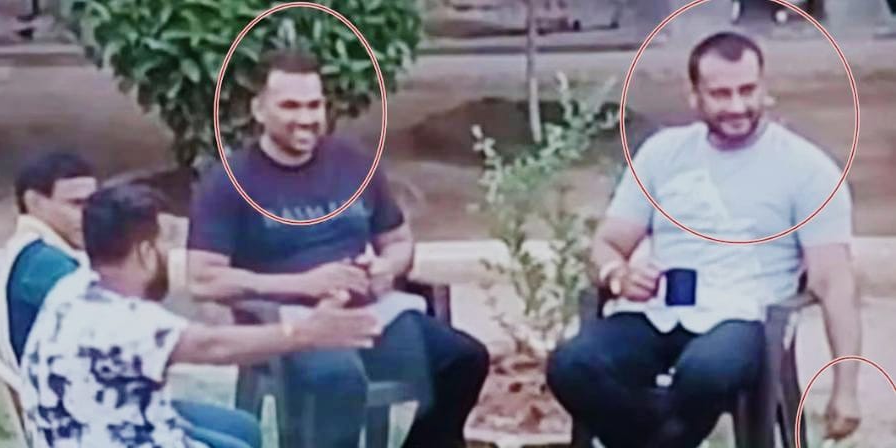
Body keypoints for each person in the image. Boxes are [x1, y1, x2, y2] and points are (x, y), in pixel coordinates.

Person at [547, 32, 861, 447]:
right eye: (720, 94)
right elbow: (608, 243)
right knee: (571, 364)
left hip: (741, 318)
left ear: (764, 88)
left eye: (747, 90)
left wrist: (846, 387)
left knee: (706, 372)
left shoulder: (807, 169)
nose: (737, 106)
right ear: (694, 96)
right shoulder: (662, 154)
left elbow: (834, 282)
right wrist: (617, 275)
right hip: (656, 313)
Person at [187, 48, 489, 447]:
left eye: (314, 105)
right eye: (290, 106)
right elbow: (203, 279)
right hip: (288, 325)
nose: (305, 118)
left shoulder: (353, 163)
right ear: (259, 110)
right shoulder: (229, 181)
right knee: (339, 377)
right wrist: (301, 284)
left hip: (370, 316)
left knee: (464, 359)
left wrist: (385, 268)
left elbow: (399, 242)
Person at [19, 184, 383, 448]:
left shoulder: (76, 286)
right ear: (144, 252)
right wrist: (306, 333)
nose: (168, 252)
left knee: (240, 429)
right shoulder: (122, 322)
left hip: (88, 426)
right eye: (163, 242)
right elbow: (211, 345)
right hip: (111, 437)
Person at [0, 152, 96, 374]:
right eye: (76, 204)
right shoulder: (44, 264)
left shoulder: (29, 253)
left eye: (93, 204)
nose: (90, 215)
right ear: (34, 202)